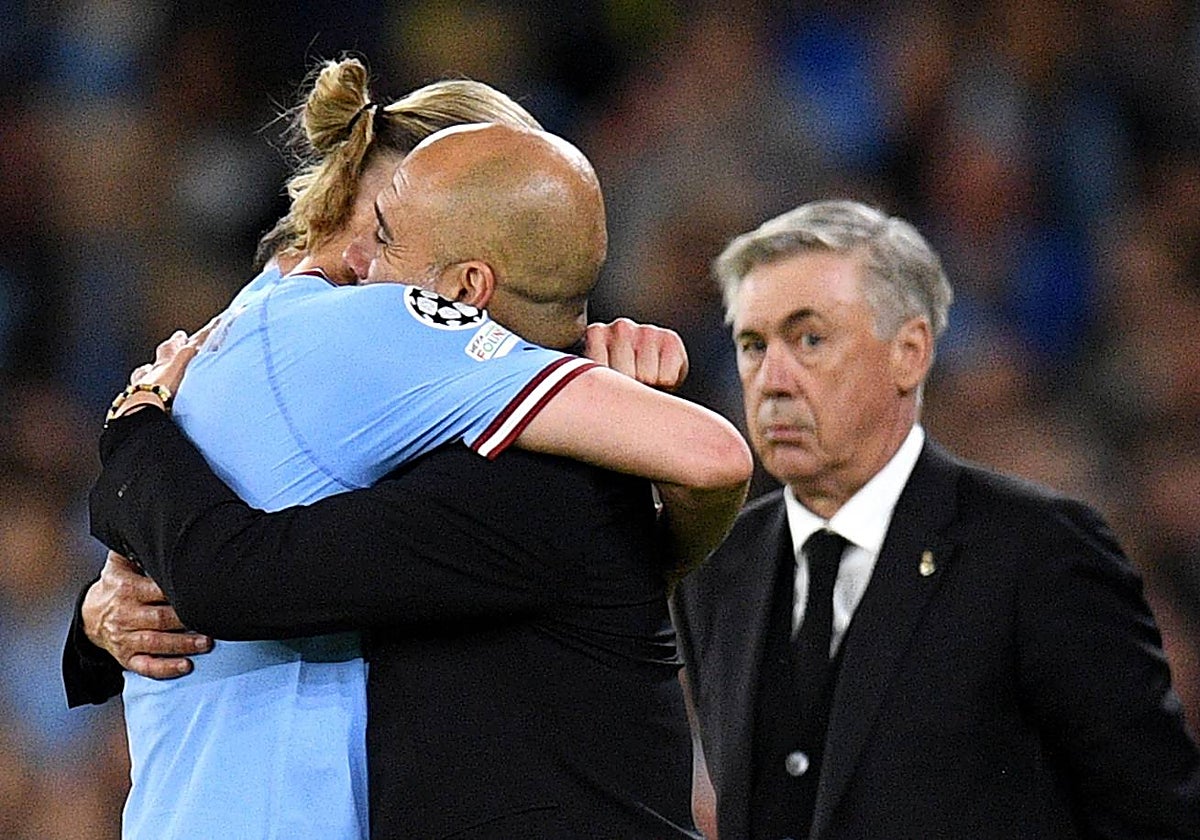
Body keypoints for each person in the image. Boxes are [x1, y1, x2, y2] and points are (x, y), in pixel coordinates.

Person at [67, 61, 750, 840]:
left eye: (392, 238)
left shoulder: (276, 335)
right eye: (382, 226)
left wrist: (130, 441)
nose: (364, 268)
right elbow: (236, 569)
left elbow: (223, 568)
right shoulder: (364, 339)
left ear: (465, 284)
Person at [672, 199, 1200, 839]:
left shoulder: (1039, 553)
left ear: (910, 353)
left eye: (810, 339)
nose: (772, 379)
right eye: (752, 345)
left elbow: (1156, 815)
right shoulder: (721, 569)